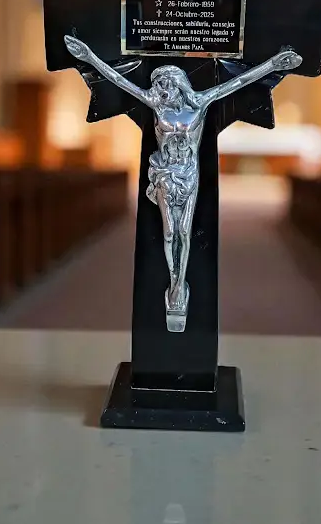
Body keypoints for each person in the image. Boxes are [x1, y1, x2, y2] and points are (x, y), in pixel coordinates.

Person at [64, 34, 302, 331]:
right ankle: (174, 285)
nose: (158, 89)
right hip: (165, 173)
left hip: (189, 174)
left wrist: (274, 64)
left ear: (176, 82)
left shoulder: (200, 102)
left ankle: (179, 287)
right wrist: (88, 57)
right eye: (157, 84)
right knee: (168, 233)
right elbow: (118, 80)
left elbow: (237, 83)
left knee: (185, 234)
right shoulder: (155, 104)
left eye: (163, 83)